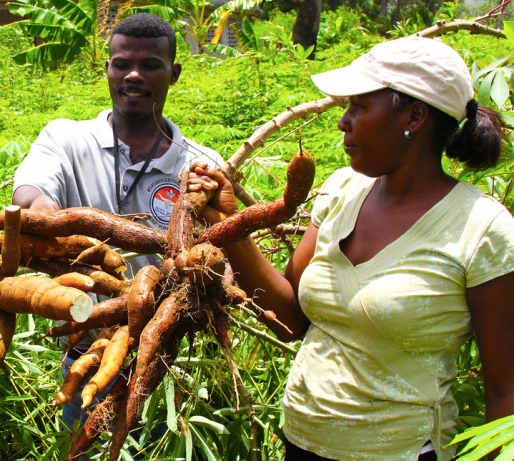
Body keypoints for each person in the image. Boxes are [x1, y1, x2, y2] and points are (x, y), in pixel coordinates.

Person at [188, 36, 514, 460]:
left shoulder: (483, 228)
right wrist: (227, 224)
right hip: (302, 442)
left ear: (414, 115)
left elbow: (506, 390)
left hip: (404, 451)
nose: (343, 121)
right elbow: (289, 319)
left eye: (359, 106)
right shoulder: (343, 190)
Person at [11, 12, 224, 429]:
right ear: (107, 68)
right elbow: (32, 189)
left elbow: (217, 252)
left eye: (150, 65)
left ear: (174, 73)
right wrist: (44, 216)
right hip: (87, 354)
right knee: (83, 445)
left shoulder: (201, 166)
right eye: (122, 63)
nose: (133, 75)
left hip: (167, 359)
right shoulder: (65, 138)